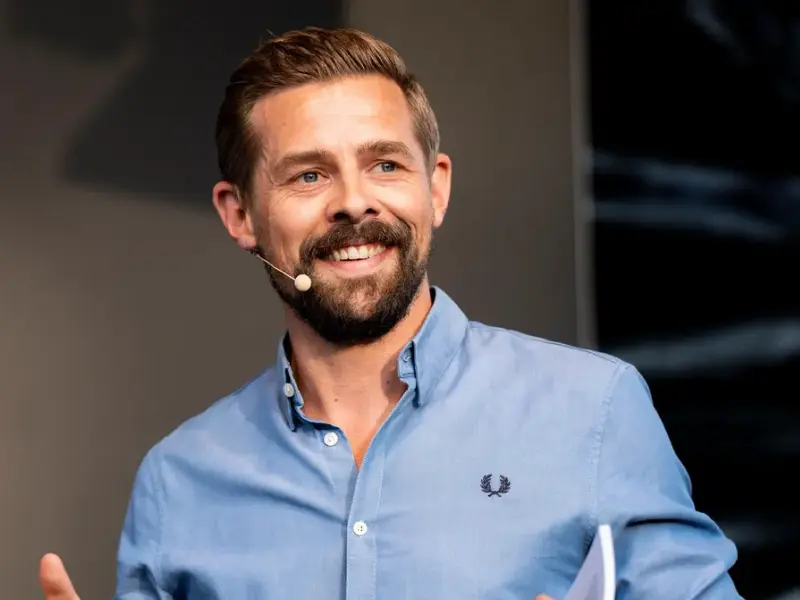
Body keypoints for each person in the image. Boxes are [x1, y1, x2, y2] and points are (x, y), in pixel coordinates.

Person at [38, 27, 742, 600]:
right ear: (240, 214)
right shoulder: (179, 480)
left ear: (436, 190)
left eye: (385, 165)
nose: (354, 202)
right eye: (309, 174)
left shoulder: (595, 409)